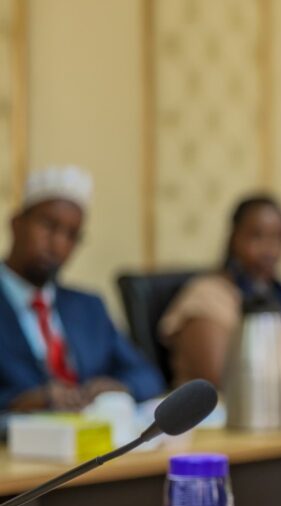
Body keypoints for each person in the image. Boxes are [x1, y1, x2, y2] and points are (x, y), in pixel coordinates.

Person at [0, 166, 164, 412]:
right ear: (16, 224)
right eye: (48, 225)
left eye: (71, 235)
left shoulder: (88, 307)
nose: (57, 244)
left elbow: (147, 376)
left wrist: (119, 387)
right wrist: (17, 402)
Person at [159, 194, 281, 388]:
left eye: (278, 238)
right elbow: (219, 381)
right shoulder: (206, 297)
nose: (269, 250)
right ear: (234, 238)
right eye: (257, 236)